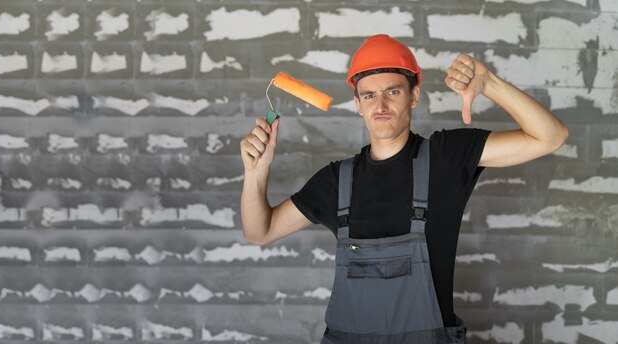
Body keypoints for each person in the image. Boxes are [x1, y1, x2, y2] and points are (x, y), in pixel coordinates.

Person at [239, 34, 568, 343]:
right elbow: (260, 231)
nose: (380, 104)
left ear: (414, 95)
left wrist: (490, 83)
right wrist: (256, 171)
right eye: (369, 95)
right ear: (357, 103)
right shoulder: (336, 180)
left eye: (392, 91)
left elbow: (550, 136)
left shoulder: (446, 157)